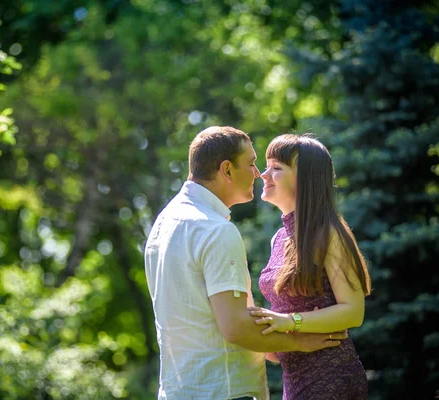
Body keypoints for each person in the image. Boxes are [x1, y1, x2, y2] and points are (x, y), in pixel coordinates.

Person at [144, 126, 348, 400]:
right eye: (251, 163)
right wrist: (298, 341)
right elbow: (236, 328)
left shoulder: (163, 224)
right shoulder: (215, 230)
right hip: (223, 390)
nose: (258, 173)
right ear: (227, 170)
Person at [251, 133, 371, 399]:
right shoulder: (278, 237)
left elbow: (353, 311)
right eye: (267, 165)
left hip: (332, 377)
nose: (263, 174)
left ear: (305, 180)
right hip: (293, 379)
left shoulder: (329, 233)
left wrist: (288, 322)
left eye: (276, 168)